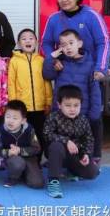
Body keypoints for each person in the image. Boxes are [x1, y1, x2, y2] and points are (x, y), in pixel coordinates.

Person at [43, 29, 103, 166]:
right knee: (61, 136)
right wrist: (51, 58)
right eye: (63, 45)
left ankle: (86, 160)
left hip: (82, 111)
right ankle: (58, 161)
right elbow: (47, 75)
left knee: (80, 139)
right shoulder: (60, 63)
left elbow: (95, 90)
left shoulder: (90, 64)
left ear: (80, 43)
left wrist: (94, 113)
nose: (67, 47)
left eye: (71, 43)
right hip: (61, 111)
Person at [40, 0, 110, 81]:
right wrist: (54, 60)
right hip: (64, 74)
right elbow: (46, 43)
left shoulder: (91, 16)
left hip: (90, 74)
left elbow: (103, 43)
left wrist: (100, 68)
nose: (64, 0)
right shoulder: (53, 19)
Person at [43, 85, 99, 198]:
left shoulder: (83, 119)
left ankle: (71, 171)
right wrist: (66, 141)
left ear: (80, 105)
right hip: (57, 153)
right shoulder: (53, 117)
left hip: (75, 155)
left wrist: (86, 155)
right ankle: (53, 181)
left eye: (76, 105)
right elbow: (47, 134)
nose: (72, 109)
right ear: (59, 105)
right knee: (56, 147)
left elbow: (89, 139)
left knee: (92, 173)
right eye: (68, 105)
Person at [7, 28, 52, 150]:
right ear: (18, 43)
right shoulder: (14, 61)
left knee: (40, 135)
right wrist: (14, 105)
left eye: (31, 38)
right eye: (24, 38)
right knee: (25, 135)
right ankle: (26, 160)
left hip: (40, 107)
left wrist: (48, 102)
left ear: (36, 42)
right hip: (23, 107)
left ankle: (38, 161)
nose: (28, 41)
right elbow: (11, 84)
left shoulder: (41, 60)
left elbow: (47, 82)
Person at [0, 100, 44, 189]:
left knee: (37, 183)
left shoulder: (29, 130)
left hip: (29, 158)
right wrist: (9, 152)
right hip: (12, 158)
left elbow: (36, 148)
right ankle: (13, 177)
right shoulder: (0, 131)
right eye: (8, 117)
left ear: (23, 120)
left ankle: (25, 173)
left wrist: (20, 150)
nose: (10, 121)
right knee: (17, 163)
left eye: (15, 118)